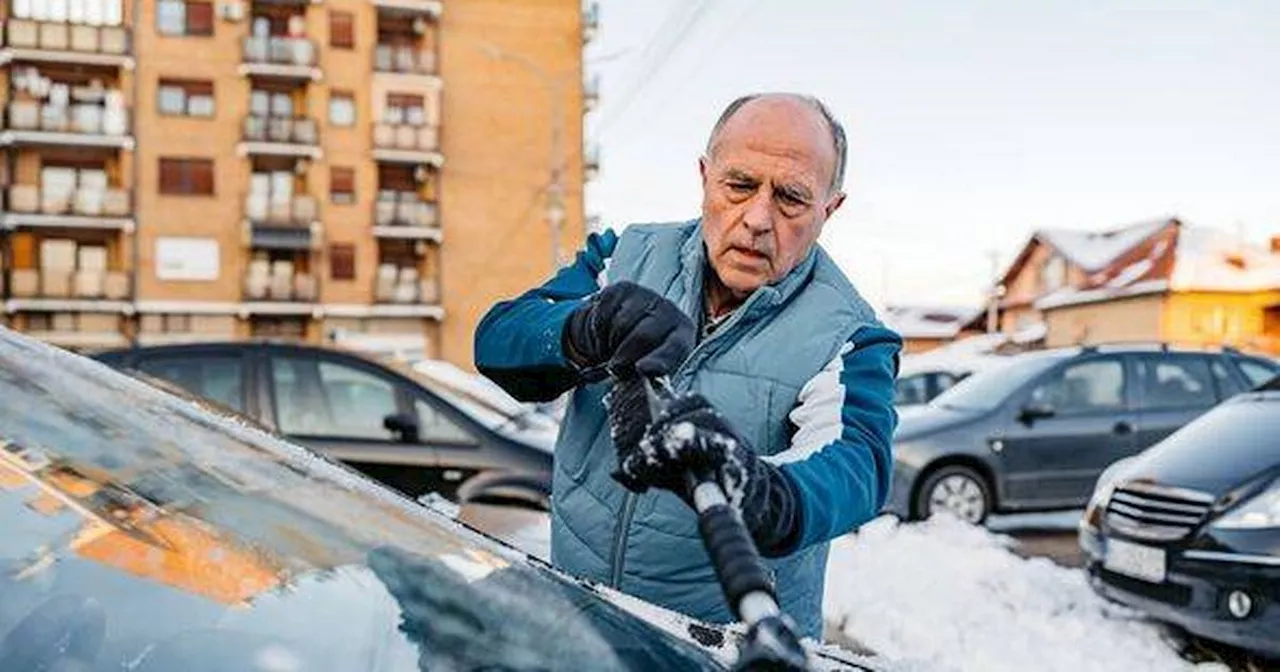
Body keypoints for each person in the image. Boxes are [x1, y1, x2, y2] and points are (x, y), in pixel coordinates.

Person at [473, 93, 901, 639]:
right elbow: (498, 341)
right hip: (583, 628)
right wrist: (582, 330)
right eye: (739, 185)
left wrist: (759, 487)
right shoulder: (623, 257)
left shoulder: (848, 332)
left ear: (829, 209)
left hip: (719, 649)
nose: (757, 219)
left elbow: (855, 464)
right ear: (705, 176)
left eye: (791, 197)